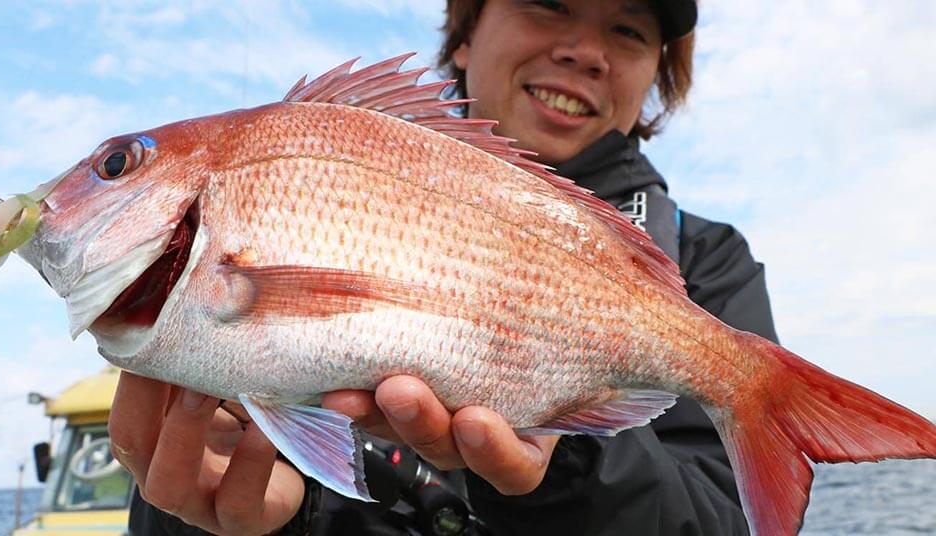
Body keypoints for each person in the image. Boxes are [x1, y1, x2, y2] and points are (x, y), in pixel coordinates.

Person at [110, 0, 779, 534]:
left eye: (628, 29)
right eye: (547, 4)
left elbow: (725, 520)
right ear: (464, 33)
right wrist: (215, 517)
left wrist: (562, 453)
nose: (584, 50)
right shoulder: (211, 242)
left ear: (656, 74)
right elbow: (200, 457)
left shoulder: (706, 263)